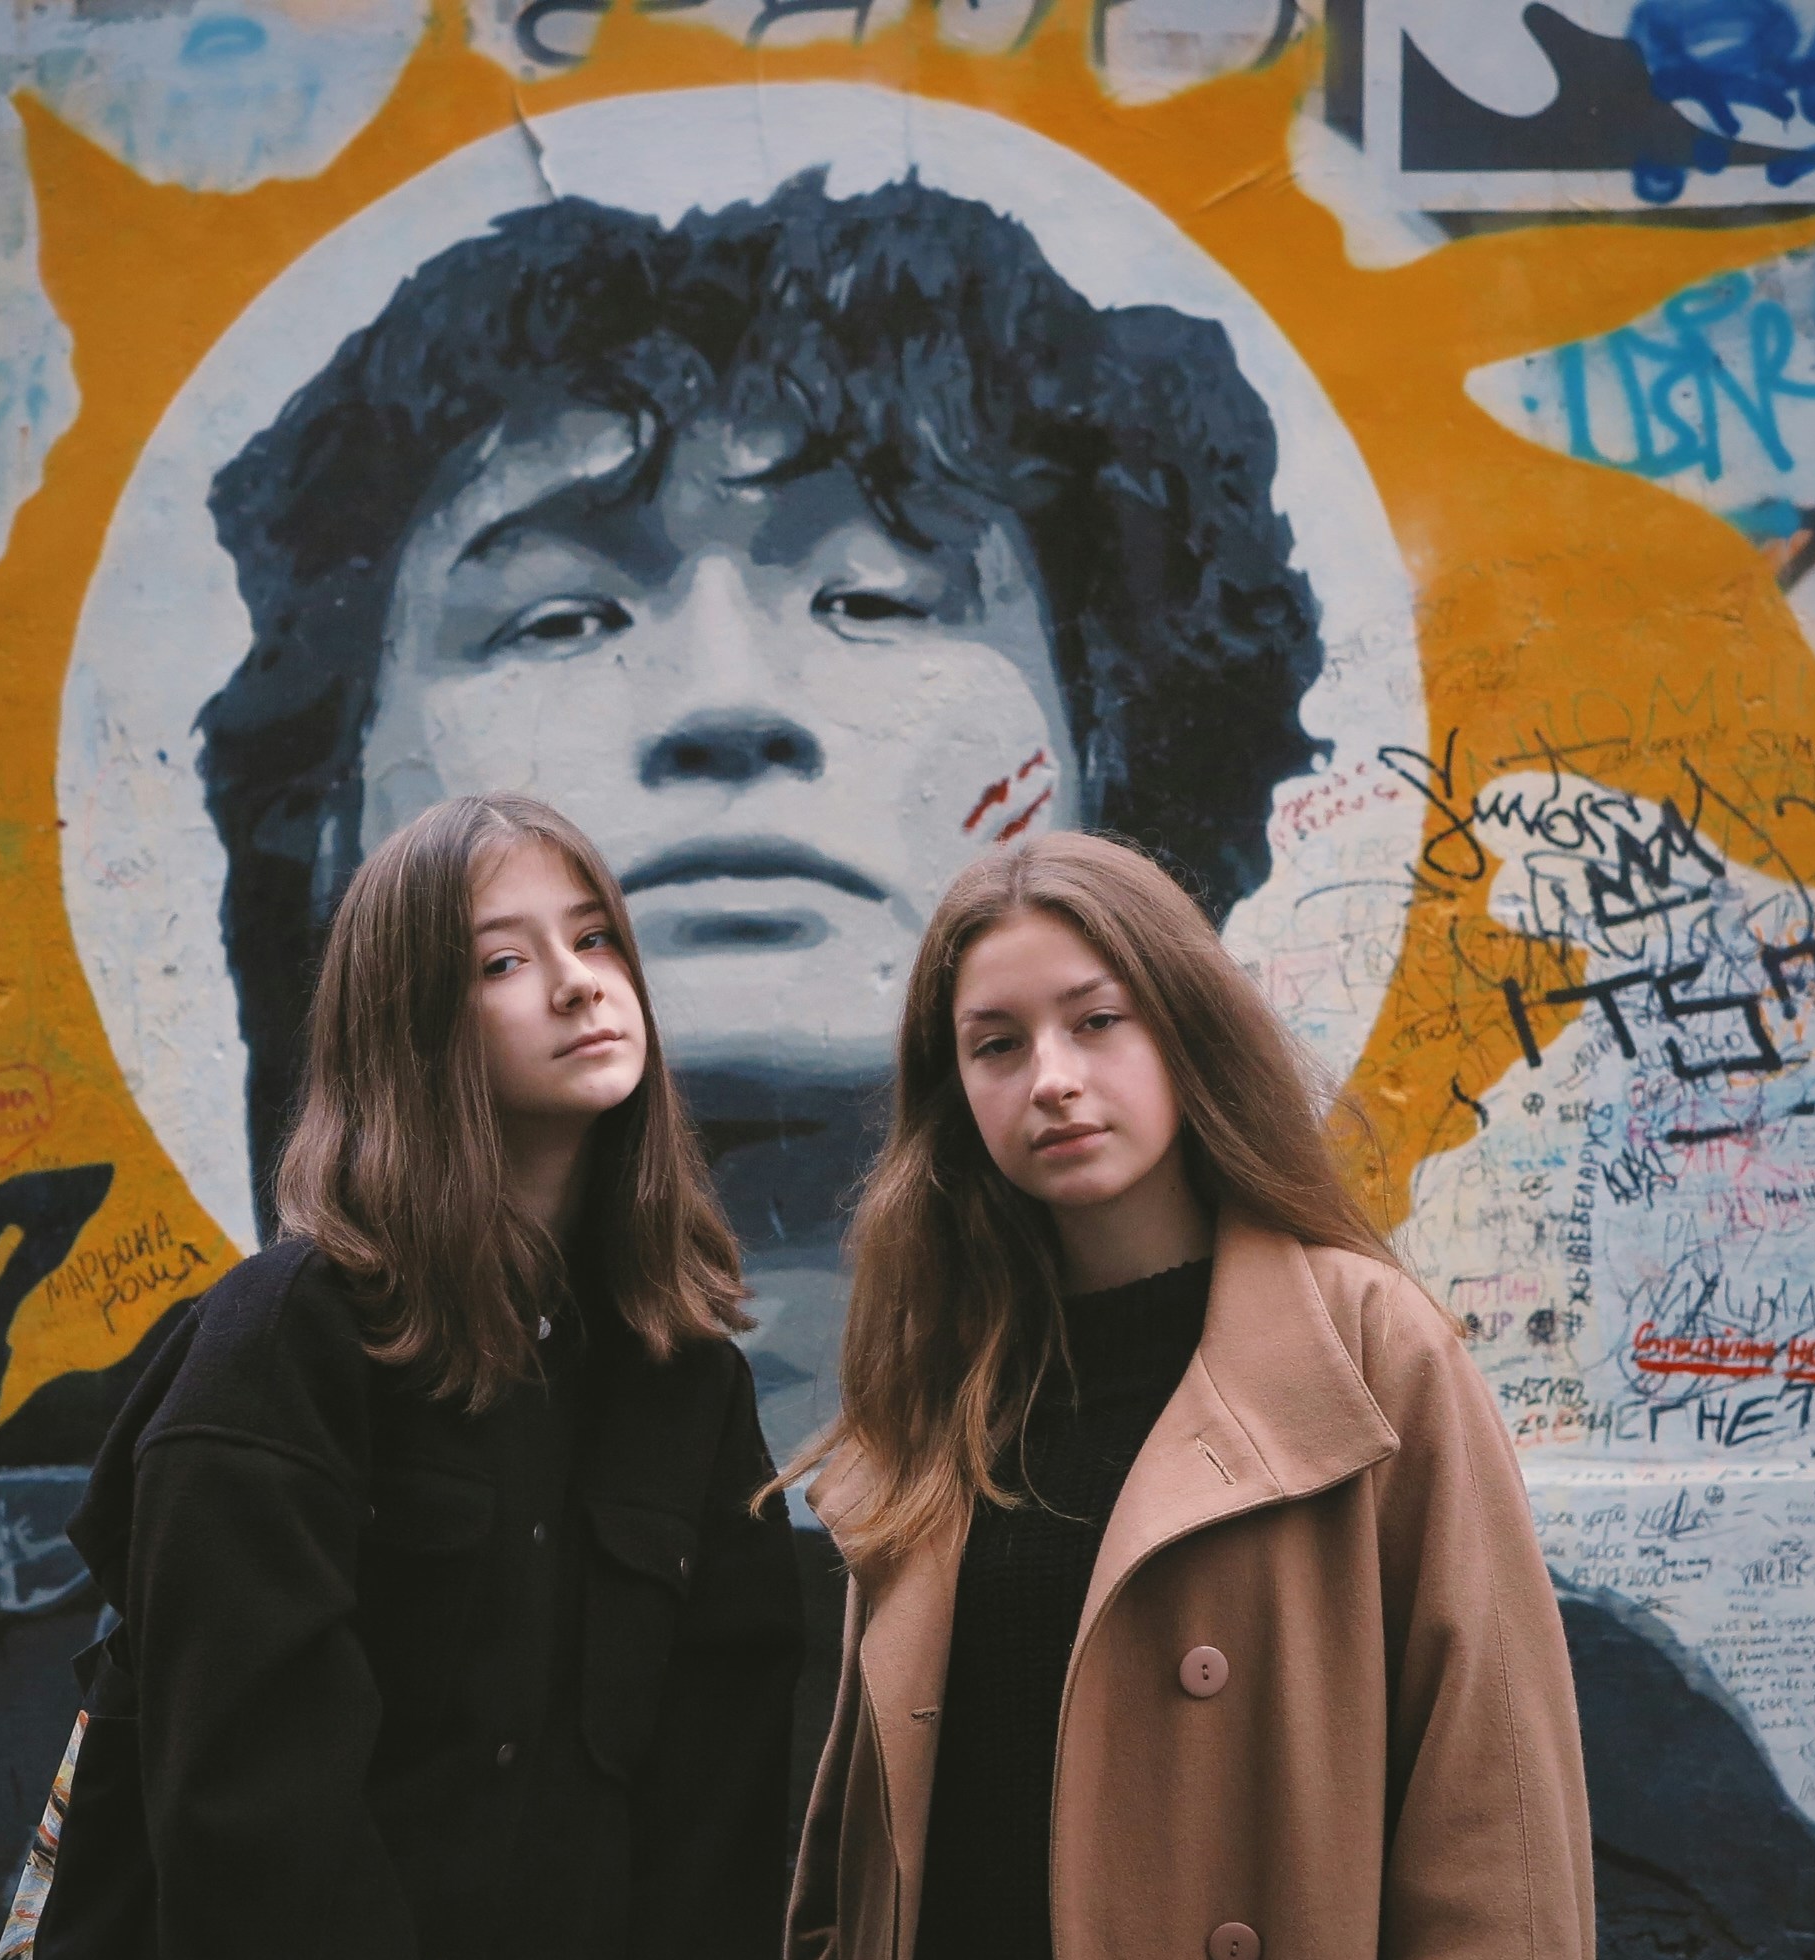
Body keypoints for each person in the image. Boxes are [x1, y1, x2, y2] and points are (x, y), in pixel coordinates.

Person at [195, 170, 1328, 1454]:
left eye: (878, 598)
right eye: (562, 616)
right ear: (337, 815)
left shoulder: (1342, 1447)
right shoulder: (152, 1513)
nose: (724, 700)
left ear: (1106, 771)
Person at [0, 793, 802, 1960]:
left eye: (594, 941)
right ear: (411, 1026)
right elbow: (255, 1823)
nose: (579, 985)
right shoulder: (289, 1341)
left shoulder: (682, 1375)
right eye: (503, 960)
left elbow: (719, 1819)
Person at [775, 833, 1593, 1960]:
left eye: (1096, 1020)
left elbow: (1493, 1823)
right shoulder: (943, 1384)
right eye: (996, 1043)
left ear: (1184, 1029)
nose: (1050, 1075)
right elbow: (850, 1871)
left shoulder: (1367, 1350)